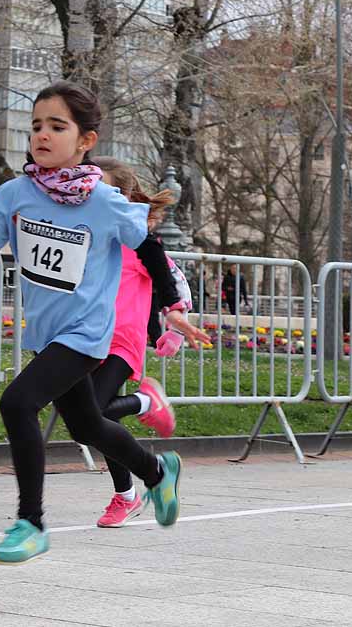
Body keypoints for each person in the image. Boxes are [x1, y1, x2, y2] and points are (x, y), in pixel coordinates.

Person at [0, 81, 183, 565]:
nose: (42, 134)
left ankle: (30, 524)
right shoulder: (16, 193)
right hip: (46, 333)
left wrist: (172, 306)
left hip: (87, 334)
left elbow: (150, 250)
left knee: (18, 403)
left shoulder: (102, 200)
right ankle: (158, 473)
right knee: (86, 426)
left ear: (85, 141)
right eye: (36, 125)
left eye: (57, 126)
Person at [90, 157, 209, 528]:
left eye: (101, 185)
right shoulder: (86, 232)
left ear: (121, 196)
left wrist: (175, 324)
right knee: (93, 418)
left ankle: (145, 404)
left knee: (97, 413)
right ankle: (127, 492)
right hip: (85, 338)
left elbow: (175, 280)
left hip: (122, 341)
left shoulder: (136, 238)